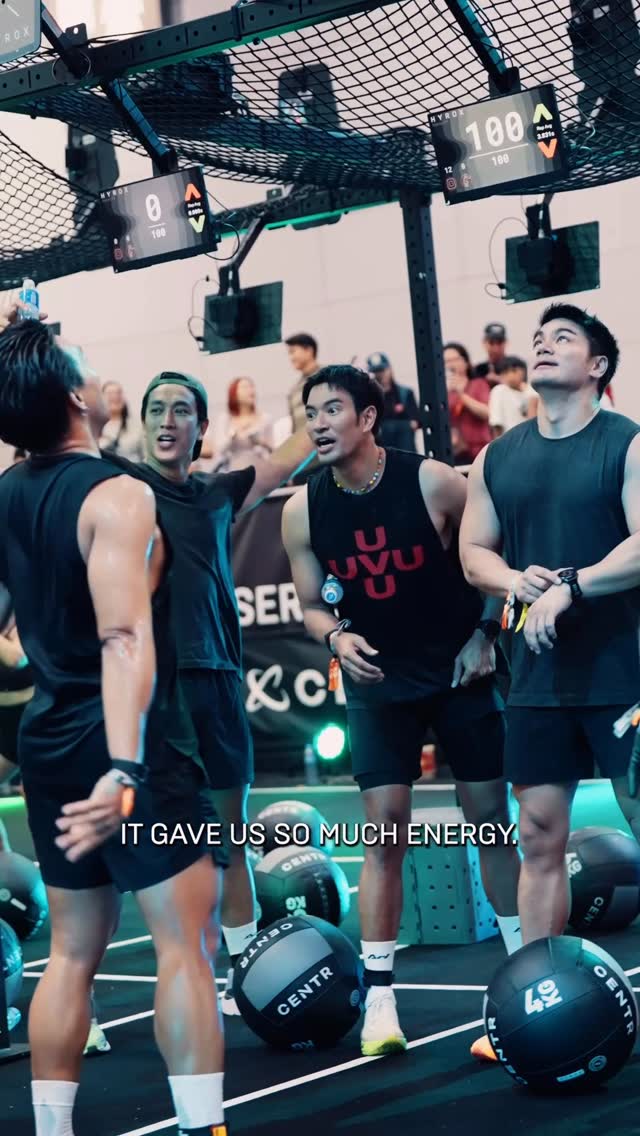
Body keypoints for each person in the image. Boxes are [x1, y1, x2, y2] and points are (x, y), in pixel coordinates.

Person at [0, 317, 228, 1136]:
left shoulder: (6, 494)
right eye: (87, 366)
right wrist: (125, 770)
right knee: (184, 944)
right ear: (73, 395)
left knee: (70, 951)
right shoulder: (119, 494)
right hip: (126, 751)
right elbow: (124, 637)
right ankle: (202, 1127)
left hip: (48, 743)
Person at [281, 364, 521, 1059]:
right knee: (383, 831)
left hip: (459, 669)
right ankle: (381, 998)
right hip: (378, 680)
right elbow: (311, 603)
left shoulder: (434, 481)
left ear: (367, 418)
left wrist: (486, 634)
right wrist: (335, 637)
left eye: (332, 409)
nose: (318, 423)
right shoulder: (302, 509)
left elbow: (493, 554)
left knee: (490, 821)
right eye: (310, 413)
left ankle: (521, 973)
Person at [107, 370, 314, 1013]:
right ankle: (89, 999)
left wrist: (319, 398)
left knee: (229, 840)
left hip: (218, 685)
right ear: (143, 423)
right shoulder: (119, 488)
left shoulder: (219, 495)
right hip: (154, 696)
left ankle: (244, 978)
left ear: (201, 428)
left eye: (181, 411)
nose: (167, 421)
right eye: (156, 409)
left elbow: (288, 455)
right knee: (139, 853)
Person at [460, 302, 640, 955]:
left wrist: (570, 584)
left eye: (563, 338)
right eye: (539, 337)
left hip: (625, 670)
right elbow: (473, 553)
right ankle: (537, 981)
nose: (542, 344)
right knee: (538, 835)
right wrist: (514, 581)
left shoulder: (627, 443)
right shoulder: (495, 458)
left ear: (597, 366)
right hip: (538, 676)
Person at [210, 376, 274, 472]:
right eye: (245, 387)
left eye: (252, 386)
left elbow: (273, 450)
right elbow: (219, 450)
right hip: (233, 470)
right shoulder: (225, 419)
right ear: (234, 393)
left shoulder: (265, 418)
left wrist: (261, 443)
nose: (251, 390)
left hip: (260, 470)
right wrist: (233, 434)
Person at [444, 342, 491, 464]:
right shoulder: (445, 392)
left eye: (454, 359)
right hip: (456, 453)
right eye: (446, 361)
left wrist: (461, 395)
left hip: (480, 451)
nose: (450, 364)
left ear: (465, 362)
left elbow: (487, 413)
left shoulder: (478, 384)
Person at [366, 352, 420, 452]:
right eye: (376, 371)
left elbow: (416, 422)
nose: (380, 374)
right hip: (380, 452)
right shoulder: (368, 398)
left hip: (405, 451)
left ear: (389, 369)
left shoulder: (405, 393)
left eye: (382, 370)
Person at [488, 356, 535, 438]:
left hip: (529, 439)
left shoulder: (533, 391)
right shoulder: (499, 391)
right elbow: (496, 423)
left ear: (523, 371)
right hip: (508, 439)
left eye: (514, 370)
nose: (510, 375)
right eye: (505, 372)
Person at [285, 332, 321, 433]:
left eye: (293, 352)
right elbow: (295, 429)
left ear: (309, 350)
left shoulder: (330, 377)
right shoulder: (293, 391)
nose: (291, 358)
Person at [99, 380, 144, 461]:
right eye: (110, 394)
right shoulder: (94, 427)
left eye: (118, 393)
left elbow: (145, 457)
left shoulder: (137, 426)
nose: (115, 397)